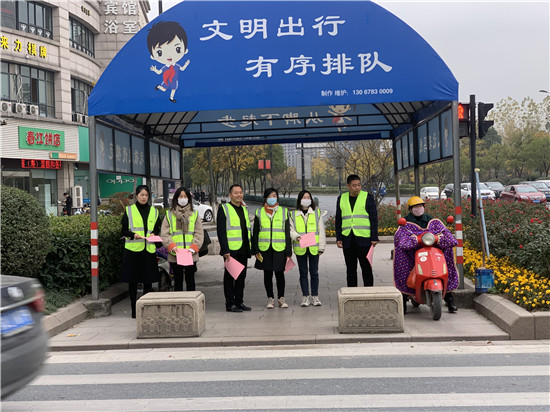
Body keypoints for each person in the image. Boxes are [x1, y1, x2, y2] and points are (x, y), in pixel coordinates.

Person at [395, 196, 458, 313]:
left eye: (420, 206)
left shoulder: (433, 221)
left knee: (446, 263)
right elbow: (401, 239)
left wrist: (438, 238)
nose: (419, 208)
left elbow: (445, 233)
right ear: (410, 209)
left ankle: (449, 299)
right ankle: (403, 299)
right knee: (403, 263)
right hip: (413, 253)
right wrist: (415, 240)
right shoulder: (406, 223)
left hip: (433, 250)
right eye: (416, 206)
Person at [120, 185, 161, 318]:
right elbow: (123, 230)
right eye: (142, 195)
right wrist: (133, 235)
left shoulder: (154, 211)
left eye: (146, 195)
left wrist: (154, 233)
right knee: (133, 281)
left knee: (148, 280)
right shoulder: (129, 210)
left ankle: (146, 308)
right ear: (136, 195)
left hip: (148, 250)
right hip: (133, 251)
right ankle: (134, 309)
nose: (144, 197)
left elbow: (157, 228)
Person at [335, 174, 379, 287]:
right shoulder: (341, 198)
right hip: (347, 239)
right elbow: (338, 219)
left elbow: (373, 218)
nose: (357, 188)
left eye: (359, 185)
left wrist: (374, 237)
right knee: (350, 269)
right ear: (348, 186)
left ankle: (368, 291)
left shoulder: (368, 197)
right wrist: (339, 237)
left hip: (364, 239)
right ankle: (351, 292)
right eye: (354, 185)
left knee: (366, 268)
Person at [252, 188, 292, 309]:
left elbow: (287, 233)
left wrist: (288, 252)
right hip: (264, 249)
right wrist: (255, 250)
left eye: (274, 195)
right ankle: (270, 299)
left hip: (279, 248)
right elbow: (255, 232)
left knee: (280, 274)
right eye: (269, 196)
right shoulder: (259, 212)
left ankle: (281, 298)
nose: (272, 198)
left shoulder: (284, 211)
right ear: (265, 198)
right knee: (267, 274)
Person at [216, 184, 253, 313]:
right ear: (230, 195)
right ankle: (230, 303)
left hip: (243, 248)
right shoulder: (224, 208)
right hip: (231, 250)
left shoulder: (244, 209)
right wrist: (225, 250)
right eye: (236, 193)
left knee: (241, 277)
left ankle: (239, 301)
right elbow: (221, 231)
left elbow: (247, 229)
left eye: (241, 192)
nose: (239, 195)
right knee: (230, 277)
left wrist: (251, 247)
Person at [161, 187, 204, 292]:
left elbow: (199, 233)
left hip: (191, 254)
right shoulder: (169, 215)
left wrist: (194, 248)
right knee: (178, 282)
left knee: (190, 281)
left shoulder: (194, 214)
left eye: (185, 196)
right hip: (175, 254)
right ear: (176, 198)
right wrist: (172, 247)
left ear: (189, 198)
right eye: (181, 196)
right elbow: (164, 234)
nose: (183, 198)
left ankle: (191, 301)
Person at [290, 190, 326, 307]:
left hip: (313, 248)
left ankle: (315, 296)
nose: (306, 199)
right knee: (303, 273)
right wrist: (296, 236)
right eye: (304, 197)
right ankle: (305, 297)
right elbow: (290, 229)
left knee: (314, 272)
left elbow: (321, 231)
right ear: (299, 199)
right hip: (300, 247)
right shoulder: (293, 214)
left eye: (308, 197)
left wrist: (321, 247)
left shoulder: (316, 213)